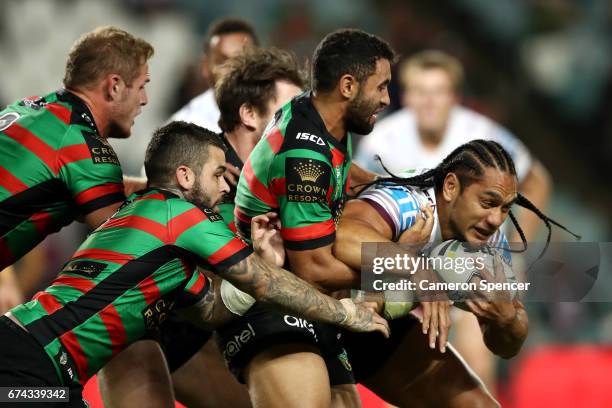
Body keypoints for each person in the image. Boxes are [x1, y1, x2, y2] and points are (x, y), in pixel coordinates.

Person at [0, 121, 388, 407]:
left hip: (43, 366)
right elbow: (272, 281)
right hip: (33, 356)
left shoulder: (167, 242)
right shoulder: (181, 211)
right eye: (218, 175)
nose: (225, 185)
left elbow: (210, 309)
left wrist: (265, 261)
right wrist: (349, 309)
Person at [217, 29, 449, 408]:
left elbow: (343, 171)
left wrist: (393, 188)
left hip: (311, 302)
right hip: (271, 301)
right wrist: (402, 264)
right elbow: (315, 268)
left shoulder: (321, 118)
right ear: (347, 86)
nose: (388, 99)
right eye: (381, 87)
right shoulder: (305, 155)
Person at [101, 47, 305, 408]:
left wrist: (414, 280)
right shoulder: (201, 172)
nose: (303, 124)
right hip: (134, 327)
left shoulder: (290, 172)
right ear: (249, 114)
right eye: (290, 111)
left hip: (204, 328)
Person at [354, 49, 552, 389]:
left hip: (472, 257)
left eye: (438, 92)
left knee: (478, 359)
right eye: (420, 91)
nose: (429, 102)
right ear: (407, 95)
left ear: (454, 97)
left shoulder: (484, 135)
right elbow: (360, 196)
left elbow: (538, 179)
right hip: (408, 258)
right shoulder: (382, 138)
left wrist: (518, 249)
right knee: (391, 349)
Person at [168, 18, 259, 133]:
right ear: (205, 66)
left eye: (243, 60)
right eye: (223, 61)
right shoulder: (181, 130)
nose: (233, 70)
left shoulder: (281, 116)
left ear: (260, 63)